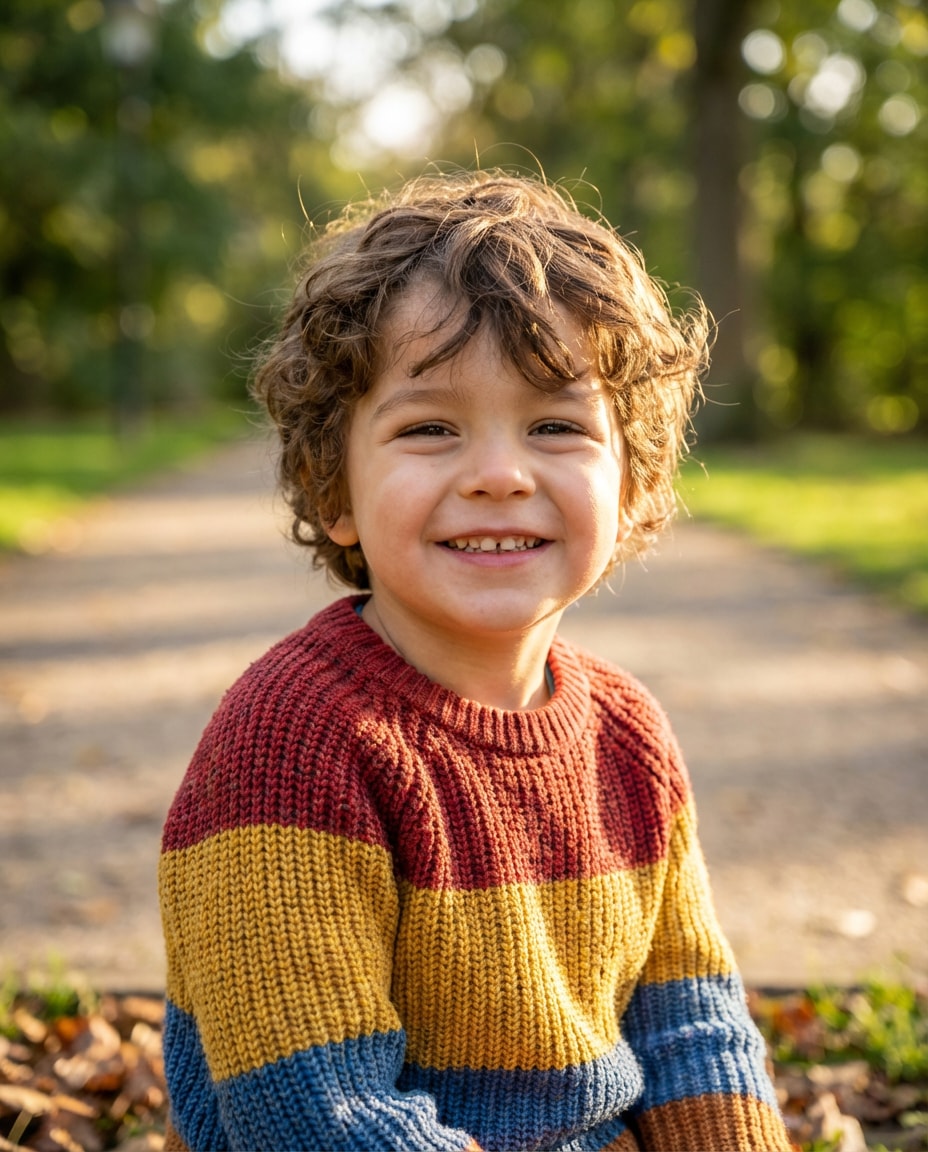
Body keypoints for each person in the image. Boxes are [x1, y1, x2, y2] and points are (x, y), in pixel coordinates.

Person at [159, 170, 793, 1152]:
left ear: (632, 485)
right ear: (337, 490)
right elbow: (318, 1117)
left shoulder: (627, 734)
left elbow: (689, 1024)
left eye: (554, 426)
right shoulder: (293, 744)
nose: (500, 474)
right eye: (428, 428)